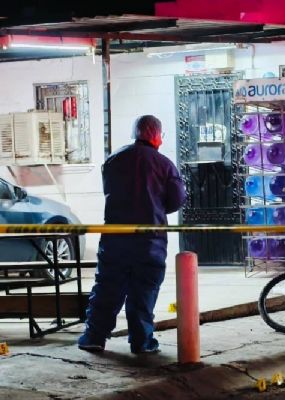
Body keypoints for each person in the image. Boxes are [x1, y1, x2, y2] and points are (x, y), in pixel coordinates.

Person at [78, 115, 186, 354]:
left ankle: (94, 336)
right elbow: (176, 200)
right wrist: (155, 206)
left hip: (115, 237)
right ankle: (141, 341)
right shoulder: (164, 164)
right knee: (144, 291)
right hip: (150, 240)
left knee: (107, 287)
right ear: (156, 135)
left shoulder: (114, 160)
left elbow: (110, 192)